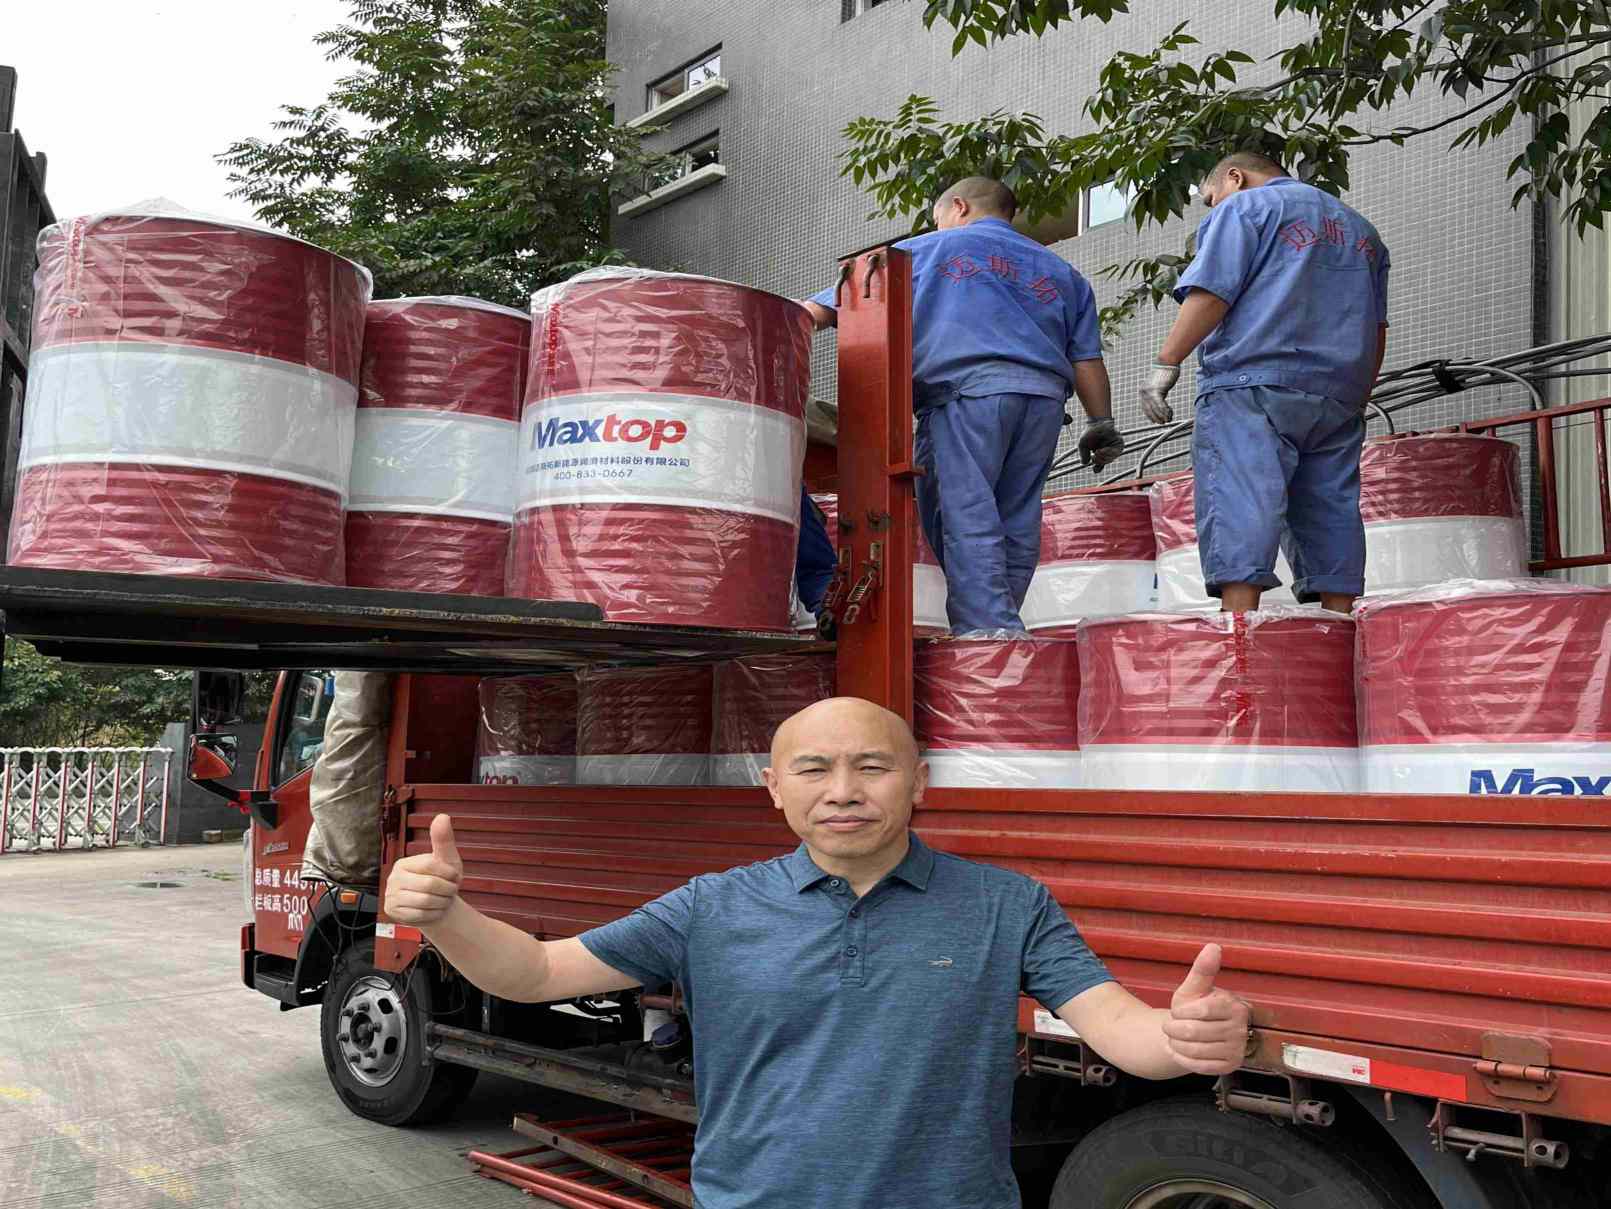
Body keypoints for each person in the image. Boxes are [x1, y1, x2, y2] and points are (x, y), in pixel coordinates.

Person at [386, 696, 1252, 1209]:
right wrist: (450, 917)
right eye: (812, 769)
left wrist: (1179, 1040)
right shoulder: (711, 906)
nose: (842, 790)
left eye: (872, 766)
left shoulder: (1005, 903)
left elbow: (1116, 1024)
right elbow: (537, 973)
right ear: (773, 788)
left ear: (918, 781)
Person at [801, 177, 1121, 634]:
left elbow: (822, 309)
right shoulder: (1063, 273)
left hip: (965, 397)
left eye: (938, 219)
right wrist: (1101, 422)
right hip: (1044, 405)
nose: (939, 227)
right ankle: (1002, 624)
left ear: (959, 207)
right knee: (1017, 518)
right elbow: (1086, 359)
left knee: (965, 515)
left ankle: (985, 634)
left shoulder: (930, 249)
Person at [1139, 151, 1391, 614]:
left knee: (1241, 498)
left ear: (1234, 177)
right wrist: (1358, 397)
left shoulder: (1245, 207)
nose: (1213, 207)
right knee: (1330, 506)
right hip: (1339, 393)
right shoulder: (1362, 232)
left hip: (1252, 382)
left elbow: (1213, 290)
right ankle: (1339, 624)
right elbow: (1377, 328)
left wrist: (1166, 362)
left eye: (1211, 198)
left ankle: (1238, 630)